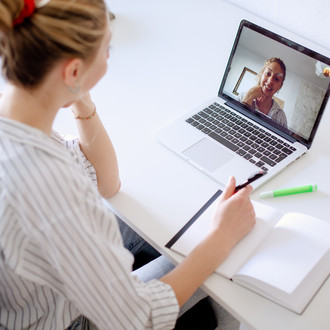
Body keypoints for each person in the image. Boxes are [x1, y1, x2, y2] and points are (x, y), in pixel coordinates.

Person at [0, 0, 256, 329]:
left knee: (152, 229)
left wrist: (78, 95)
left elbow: (105, 182)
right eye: (106, 50)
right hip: (68, 321)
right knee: (223, 276)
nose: (108, 58)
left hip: (31, 290)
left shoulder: (18, 118)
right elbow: (138, 317)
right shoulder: (50, 184)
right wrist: (221, 238)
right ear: (73, 69)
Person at [238, 57, 288, 128]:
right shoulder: (243, 96)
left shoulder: (281, 116)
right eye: (268, 73)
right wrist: (248, 97)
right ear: (261, 75)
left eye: (276, 79)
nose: (270, 81)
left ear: (280, 86)